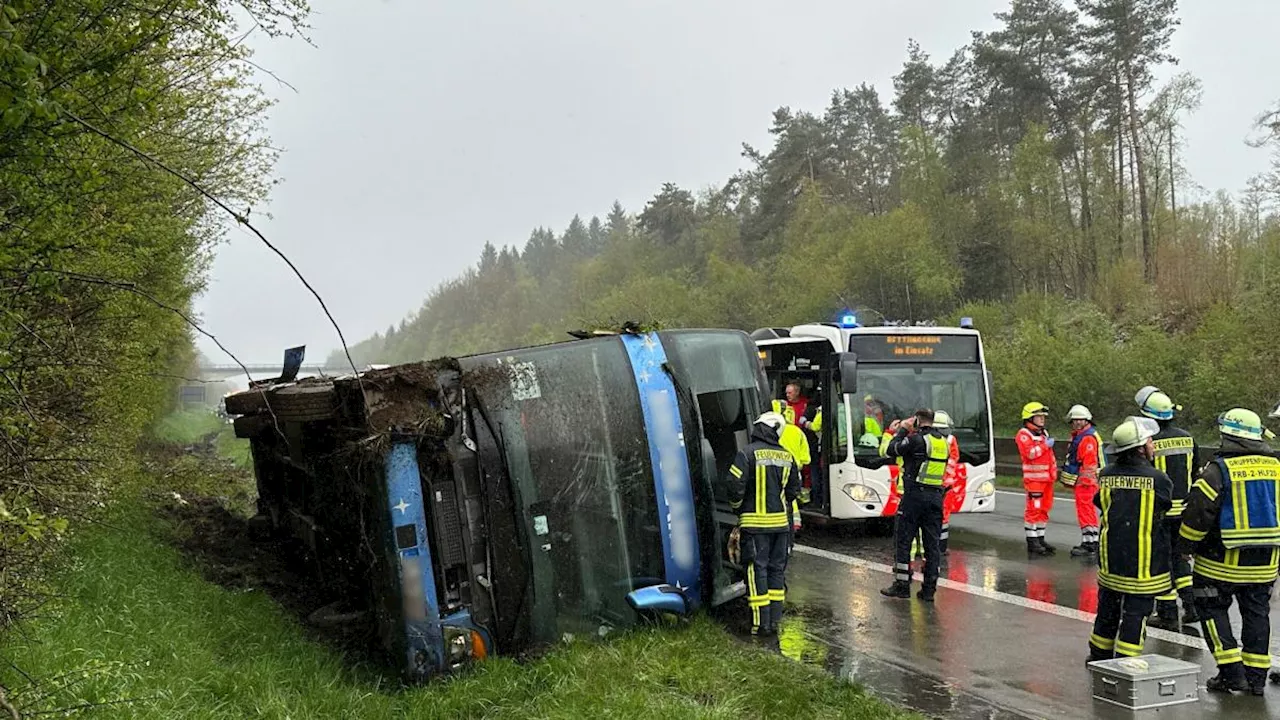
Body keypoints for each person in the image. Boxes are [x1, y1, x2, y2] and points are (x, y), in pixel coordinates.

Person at [1177, 408, 1280, 696]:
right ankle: (1257, 679)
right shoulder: (1277, 468)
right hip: (1265, 565)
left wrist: (1185, 548)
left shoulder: (1217, 471)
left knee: (1211, 610)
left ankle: (1231, 674)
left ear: (1227, 436)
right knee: (1257, 615)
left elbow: (1198, 515)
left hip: (1218, 564)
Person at [1087, 416, 1173, 662]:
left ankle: (1098, 656)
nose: (1153, 446)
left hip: (1111, 560)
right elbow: (1166, 509)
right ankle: (1126, 663)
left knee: (1107, 611)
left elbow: (1099, 503)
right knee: (1136, 615)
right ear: (1140, 447)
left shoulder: (1105, 475)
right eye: (1149, 441)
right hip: (1143, 563)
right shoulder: (1158, 479)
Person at [726, 412, 801, 638]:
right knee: (776, 571)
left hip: (754, 526)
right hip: (780, 526)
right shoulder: (787, 457)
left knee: (755, 570)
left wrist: (737, 508)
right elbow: (793, 492)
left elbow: (734, 485)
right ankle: (774, 621)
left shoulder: (746, 453)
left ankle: (760, 625)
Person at [1136, 387, 1200, 626]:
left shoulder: (1148, 442)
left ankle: (1167, 613)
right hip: (1184, 510)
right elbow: (1194, 471)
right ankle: (1191, 607)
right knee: (1180, 558)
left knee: (1161, 562)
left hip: (1159, 511)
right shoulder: (1188, 437)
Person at [879, 408, 949, 602]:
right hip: (935, 496)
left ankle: (902, 585)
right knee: (931, 545)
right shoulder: (943, 442)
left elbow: (891, 449)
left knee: (903, 540)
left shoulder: (917, 439)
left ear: (918, 420)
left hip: (914, 496)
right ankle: (929, 590)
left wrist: (901, 430)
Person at [1059, 405, 1104, 558]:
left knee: (1086, 512)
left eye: (1080, 420)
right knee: (1086, 512)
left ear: (1087, 421)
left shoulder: (1087, 438)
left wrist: (1083, 480)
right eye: (1074, 420)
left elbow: (1089, 464)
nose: (1077, 423)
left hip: (1086, 483)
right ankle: (1091, 541)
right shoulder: (1084, 435)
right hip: (1086, 482)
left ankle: (1090, 544)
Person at [1017, 402, 1058, 556]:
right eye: (1039, 416)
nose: (1042, 419)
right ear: (1030, 418)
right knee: (1034, 509)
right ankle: (1032, 541)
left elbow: (1050, 458)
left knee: (1044, 509)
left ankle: (1040, 538)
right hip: (1034, 481)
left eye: (1043, 417)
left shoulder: (1043, 433)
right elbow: (1030, 454)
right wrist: (1045, 446)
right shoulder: (1023, 434)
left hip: (1046, 480)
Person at [933, 410, 966, 555]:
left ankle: (936, 547)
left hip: (934, 485)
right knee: (943, 517)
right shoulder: (951, 440)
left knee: (933, 517)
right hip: (946, 485)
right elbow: (954, 459)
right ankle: (941, 547)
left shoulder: (929, 439)